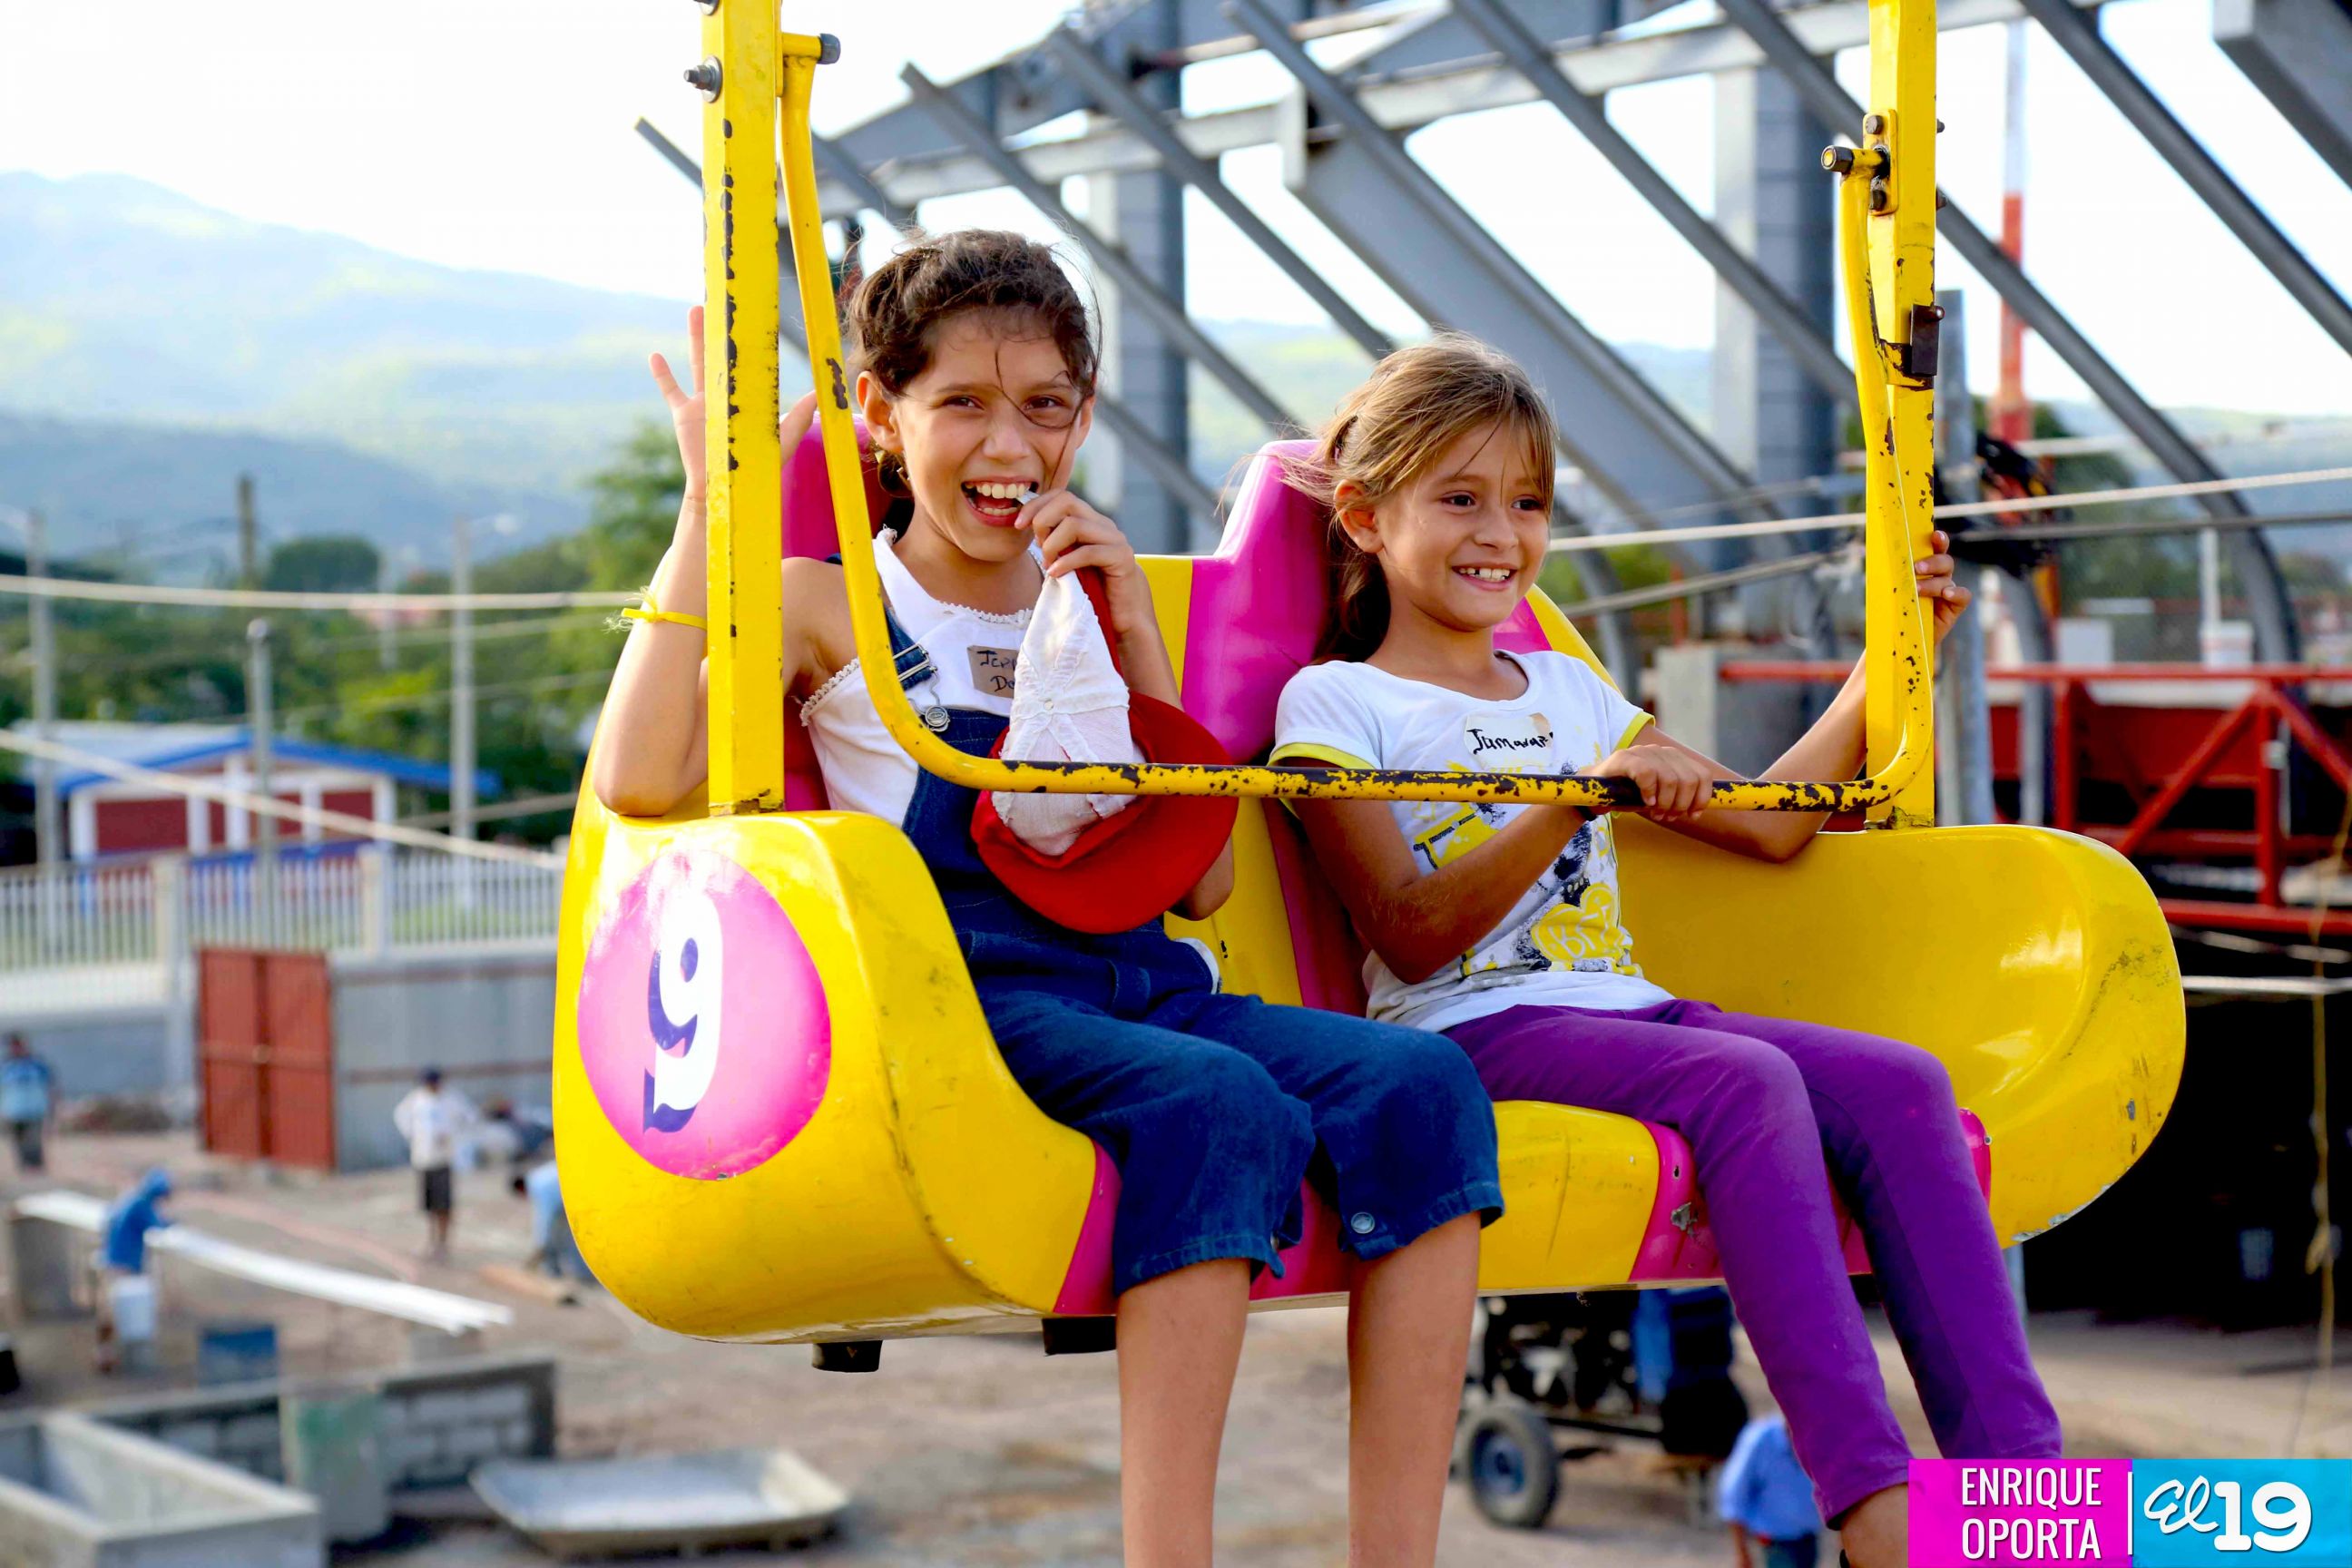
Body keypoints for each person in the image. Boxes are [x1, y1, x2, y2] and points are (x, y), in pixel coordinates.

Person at [592, 230, 1504, 1568]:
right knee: (1217, 1102)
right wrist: (703, 514)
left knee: (1421, 1087)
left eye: (1043, 406)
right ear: (880, 421)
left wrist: (1136, 641)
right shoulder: (828, 606)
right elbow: (639, 775)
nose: (1005, 443)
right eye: (960, 402)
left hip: (1139, 982)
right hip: (970, 997)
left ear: (1081, 418)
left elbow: (1197, 886)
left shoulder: (1085, 606)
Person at [1271, 338, 2059, 1568]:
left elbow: (1772, 828)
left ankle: (2022, 1485)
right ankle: (1871, 1503)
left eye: (1527, 502)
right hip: (1469, 1029)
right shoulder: (1336, 704)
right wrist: (1571, 798)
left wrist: (1898, 656)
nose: (1501, 534)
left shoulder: (1569, 689)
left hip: (1628, 1016)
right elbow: (1410, 936)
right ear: (1367, 518)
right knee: (1746, 1083)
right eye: (1460, 498)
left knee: (1901, 1084)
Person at [392, 1068, 476, 1262]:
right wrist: (414, 1136)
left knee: (444, 1204)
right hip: (423, 1158)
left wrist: (453, 1137)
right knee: (429, 1205)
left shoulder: (451, 1099)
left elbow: (470, 1118)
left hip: (443, 1159)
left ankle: (443, 1243)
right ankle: (431, 1241)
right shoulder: (417, 1099)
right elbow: (401, 1116)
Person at [1720, 1413, 1826, 1568]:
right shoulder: (1759, 1440)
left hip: (1809, 1539)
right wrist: (1741, 1552)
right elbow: (1733, 1498)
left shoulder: (1816, 1438)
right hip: (1774, 1543)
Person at [96, 1167, 172, 1372]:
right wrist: (173, 1221)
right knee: (122, 1311)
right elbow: (158, 1225)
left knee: (109, 1308)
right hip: (125, 1264)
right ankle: (115, 1357)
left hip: (110, 1258)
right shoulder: (142, 1205)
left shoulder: (128, 1198)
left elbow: (107, 1216)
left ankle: (106, 1353)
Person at [1, 1034, 56, 1175]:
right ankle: (24, 1169)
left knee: (33, 1140)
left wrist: (53, 1107)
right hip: (13, 1110)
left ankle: (36, 1168)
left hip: (34, 1109)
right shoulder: (7, 1066)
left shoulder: (36, 1065)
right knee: (18, 1142)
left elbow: (50, 1086)